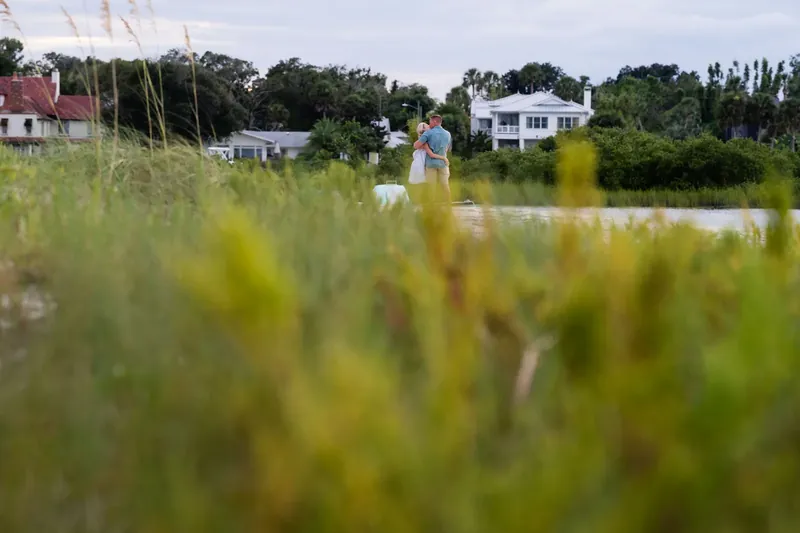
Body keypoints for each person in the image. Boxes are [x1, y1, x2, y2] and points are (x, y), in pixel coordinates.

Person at [413, 114, 452, 202]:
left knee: (431, 186)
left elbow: (416, 145)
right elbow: (447, 149)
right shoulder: (448, 134)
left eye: (430, 121)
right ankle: (449, 204)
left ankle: (432, 205)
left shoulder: (428, 133)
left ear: (434, 121)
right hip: (443, 163)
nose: (429, 124)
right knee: (445, 185)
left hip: (431, 163)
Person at [409, 122, 448, 187]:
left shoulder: (431, 136)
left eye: (425, 125)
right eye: (424, 127)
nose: (427, 126)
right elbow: (431, 154)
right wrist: (444, 158)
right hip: (424, 163)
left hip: (430, 162)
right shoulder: (424, 141)